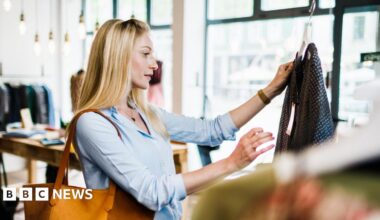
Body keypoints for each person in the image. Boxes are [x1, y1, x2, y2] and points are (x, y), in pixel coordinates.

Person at [74, 19, 293, 220]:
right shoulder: (92, 123)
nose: (154, 64)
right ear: (119, 57)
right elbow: (151, 192)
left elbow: (211, 130)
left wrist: (270, 91)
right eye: (145, 54)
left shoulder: (148, 114)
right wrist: (231, 163)